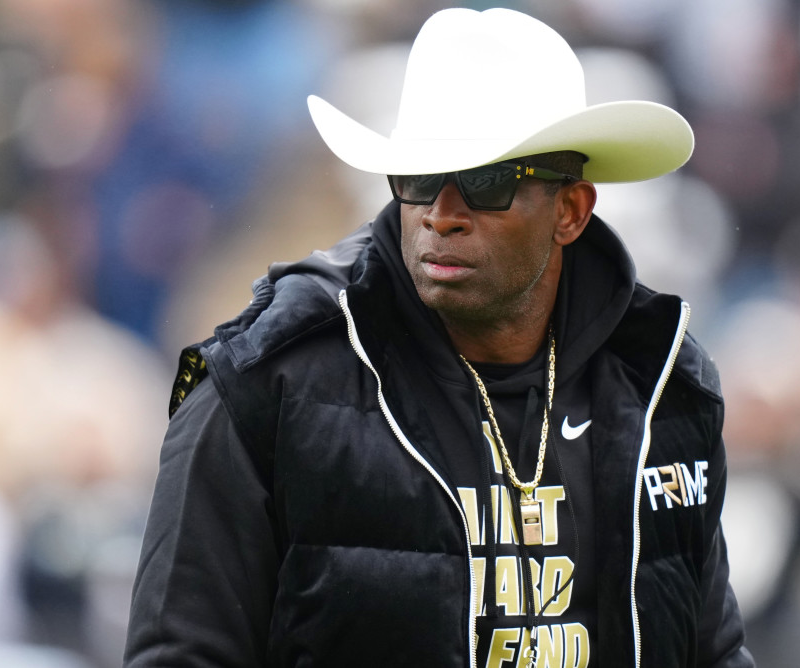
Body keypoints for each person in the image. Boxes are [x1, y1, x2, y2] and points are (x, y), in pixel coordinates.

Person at [125, 8, 753, 668]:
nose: (441, 215)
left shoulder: (660, 386)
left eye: (485, 183)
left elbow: (713, 650)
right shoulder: (263, 384)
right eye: (419, 179)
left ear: (570, 210)